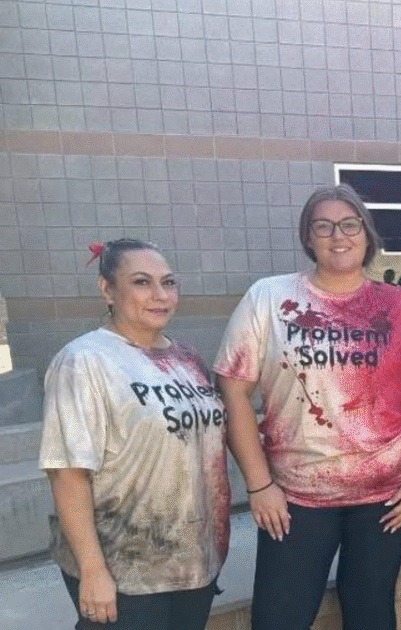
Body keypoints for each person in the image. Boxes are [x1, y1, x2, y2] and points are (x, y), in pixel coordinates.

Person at [214, 184, 401, 630]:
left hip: (387, 498)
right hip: (294, 498)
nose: (337, 236)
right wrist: (259, 484)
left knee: (371, 612)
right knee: (278, 617)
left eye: (349, 224)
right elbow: (232, 390)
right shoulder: (269, 299)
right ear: (308, 238)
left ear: (366, 234)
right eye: (322, 227)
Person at [40, 238, 229, 630]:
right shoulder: (84, 362)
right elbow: (68, 474)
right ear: (107, 289)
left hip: (193, 564)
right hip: (123, 571)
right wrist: (93, 571)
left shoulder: (187, 357)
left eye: (169, 282)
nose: (160, 295)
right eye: (142, 282)